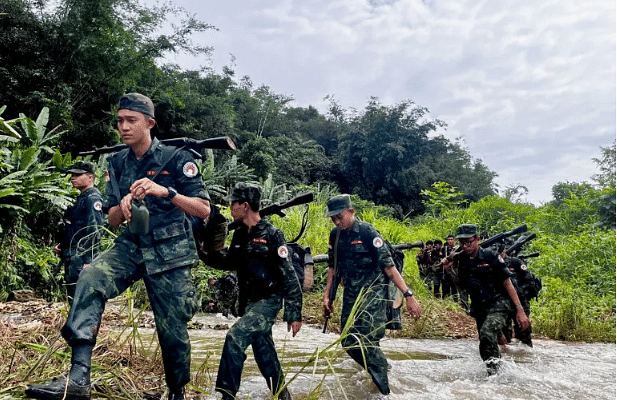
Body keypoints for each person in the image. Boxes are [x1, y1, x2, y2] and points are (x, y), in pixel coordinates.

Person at [26, 93, 211, 400]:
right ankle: (78, 378)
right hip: (132, 244)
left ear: (149, 123)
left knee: (172, 329)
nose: (123, 127)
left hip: (171, 251)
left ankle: (177, 392)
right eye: (119, 121)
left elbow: (203, 208)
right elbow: (110, 218)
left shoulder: (178, 157)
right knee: (91, 278)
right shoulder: (117, 162)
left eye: (131, 120)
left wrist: (165, 191)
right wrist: (122, 206)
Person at [200, 183, 302, 400]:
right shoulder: (239, 235)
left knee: (234, 338)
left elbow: (289, 276)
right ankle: (283, 396)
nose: (230, 208)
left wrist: (294, 314)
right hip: (249, 303)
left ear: (245, 206)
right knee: (265, 354)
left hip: (269, 301)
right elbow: (228, 263)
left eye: (233, 203)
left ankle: (227, 395)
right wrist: (205, 253)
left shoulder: (273, 235)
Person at [322, 194, 422, 395]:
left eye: (339, 216)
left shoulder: (367, 232)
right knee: (348, 341)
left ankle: (385, 392)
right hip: (351, 293)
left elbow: (389, 267)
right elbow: (332, 268)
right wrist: (327, 297)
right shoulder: (336, 235)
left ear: (351, 211)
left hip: (373, 292)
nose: (337, 221)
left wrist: (408, 295)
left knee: (367, 339)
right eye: (333, 218)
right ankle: (381, 366)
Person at [443, 224, 531, 375]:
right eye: (462, 243)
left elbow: (507, 282)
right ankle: (493, 373)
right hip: (480, 307)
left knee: (487, 333)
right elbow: (461, 285)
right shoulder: (462, 260)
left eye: (469, 242)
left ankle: (497, 375)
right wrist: (450, 269)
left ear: (477, 239)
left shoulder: (491, 256)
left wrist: (520, 311)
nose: (466, 246)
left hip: (499, 303)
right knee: (485, 342)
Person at [56, 161, 105, 305]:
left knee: (81, 297)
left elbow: (95, 230)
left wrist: (89, 260)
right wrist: (62, 245)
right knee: (73, 294)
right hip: (72, 254)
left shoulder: (92, 198)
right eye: (72, 175)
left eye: (78, 175)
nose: (73, 178)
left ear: (90, 177)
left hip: (81, 256)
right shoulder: (82, 198)